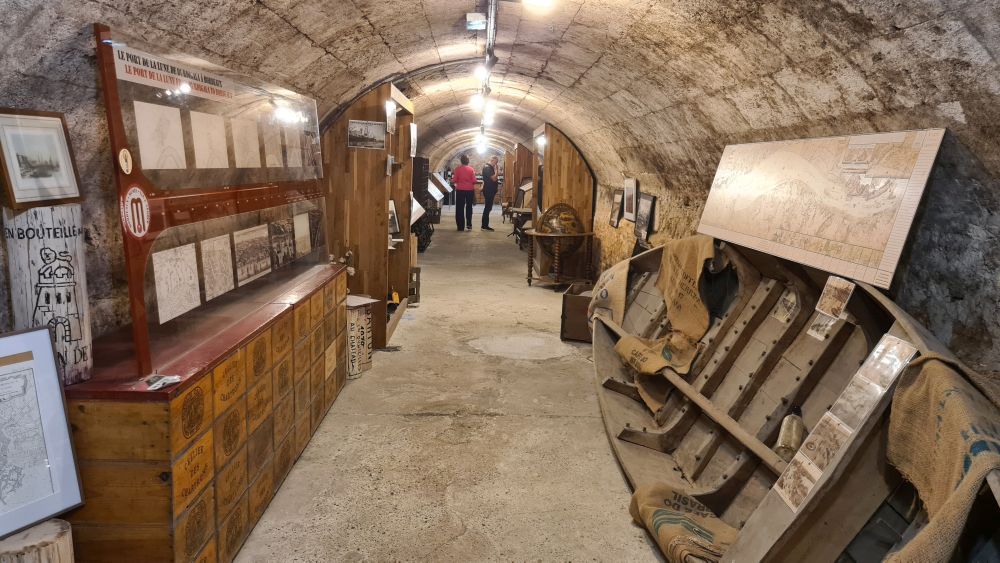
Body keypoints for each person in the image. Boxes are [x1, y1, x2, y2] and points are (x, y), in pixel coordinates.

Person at [452, 155, 476, 231]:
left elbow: (454, 180)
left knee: (459, 208)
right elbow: (474, 181)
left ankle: (460, 227)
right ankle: (469, 225)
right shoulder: (471, 169)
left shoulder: (457, 169)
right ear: (468, 161)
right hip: (470, 190)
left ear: (461, 161)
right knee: (469, 207)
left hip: (460, 190)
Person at [480, 155, 500, 231]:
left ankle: (485, 225)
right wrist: (497, 170)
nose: (496, 164)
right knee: (487, 208)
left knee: (488, 208)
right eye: (496, 162)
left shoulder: (489, 167)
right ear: (493, 160)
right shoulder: (488, 168)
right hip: (489, 191)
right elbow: (494, 179)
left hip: (490, 190)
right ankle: (484, 226)